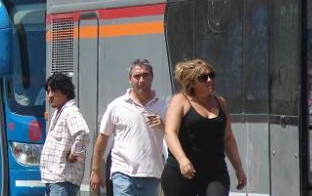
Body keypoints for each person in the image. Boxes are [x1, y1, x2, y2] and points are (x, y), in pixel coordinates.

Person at [161, 59, 247, 196]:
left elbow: (228, 138)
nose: (209, 80)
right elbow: (170, 133)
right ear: (192, 82)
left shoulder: (221, 103)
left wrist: (239, 168)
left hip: (215, 172)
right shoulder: (180, 101)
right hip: (182, 171)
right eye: (203, 77)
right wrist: (182, 159)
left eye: (211, 75)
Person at [90, 59, 167, 196]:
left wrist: (162, 125)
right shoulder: (117, 106)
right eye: (137, 76)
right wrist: (96, 171)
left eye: (145, 75)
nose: (141, 80)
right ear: (129, 79)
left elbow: (173, 136)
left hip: (151, 175)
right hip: (123, 173)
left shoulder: (162, 106)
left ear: (152, 78)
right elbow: (102, 139)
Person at [40, 72, 90, 196]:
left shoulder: (70, 112)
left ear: (65, 92)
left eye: (53, 91)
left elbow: (82, 132)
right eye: (48, 92)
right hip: (55, 179)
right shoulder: (60, 112)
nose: (49, 96)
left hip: (62, 180)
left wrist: (74, 154)